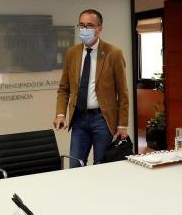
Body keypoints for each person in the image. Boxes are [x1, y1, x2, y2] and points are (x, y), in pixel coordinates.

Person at [54, 9, 129, 167]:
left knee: (101, 166)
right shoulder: (72, 53)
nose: (84, 29)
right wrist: (60, 114)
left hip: (102, 120)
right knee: (75, 165)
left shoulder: (113, 53)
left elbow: (123, 93)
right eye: (81, 25)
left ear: (99, 29)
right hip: (79, 119)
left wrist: (122, 125)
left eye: (89, 26)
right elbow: (64, 88)